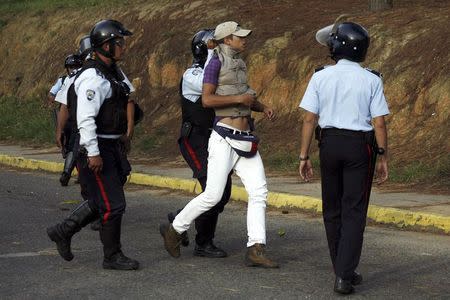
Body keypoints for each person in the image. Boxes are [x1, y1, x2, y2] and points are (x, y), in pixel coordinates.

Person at [160, 21, 278, 268]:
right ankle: (175, 229)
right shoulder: (214, 63)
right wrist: (240, 98)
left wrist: (263, 106)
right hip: (224, 136)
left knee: (259, 192)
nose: (244, 39)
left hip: (246, 139)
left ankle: (256, 248)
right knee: (213, 194)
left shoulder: (240, 63)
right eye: (239, 36)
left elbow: (247, 95)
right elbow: (207, 99)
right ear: (227, 40)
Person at [298, 21, 389, 294]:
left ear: (337, 47)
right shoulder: (372, 79)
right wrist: (383, 155)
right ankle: (344, 274)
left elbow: (309, 119)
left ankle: (342, 268)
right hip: (360, 148)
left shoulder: (320, 76)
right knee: (354, 210)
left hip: (329, 145)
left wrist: (303, 155)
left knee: (333, 209)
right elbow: (379, 122)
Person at [47, 19, 139, 270]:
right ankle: (112, 256)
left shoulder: (111, 72)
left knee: (102, 201)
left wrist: (123, 135)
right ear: (105, 45)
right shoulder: (92, 76)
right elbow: (85, 118)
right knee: (113, 204)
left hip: (111, 145)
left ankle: (63, 231)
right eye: (118, 42)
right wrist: (94, 153)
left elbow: (126, 98)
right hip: (96, 148)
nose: (123, 47)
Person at [166, 29, 231, 258]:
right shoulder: (192, 74)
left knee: (222, 191)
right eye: (215, 45)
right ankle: (203, 243)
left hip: (213, 138)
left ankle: (179, 218)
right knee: (214, 189)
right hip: (194, 139)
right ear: (203, 48)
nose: (220, 49)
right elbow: (213, 88)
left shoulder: (218, 70)